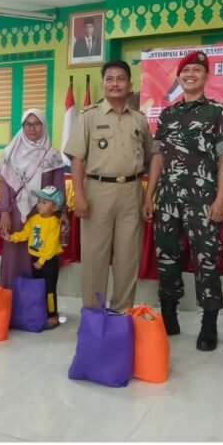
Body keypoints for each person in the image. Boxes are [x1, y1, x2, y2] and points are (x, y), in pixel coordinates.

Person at [144, 51, 223, 352]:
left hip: (202, 199)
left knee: (206, 260)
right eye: (186, 71)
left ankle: (208, 324)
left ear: (206, 76)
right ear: (179, 77)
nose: (191, 75)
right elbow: (158, 156)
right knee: (167, 255)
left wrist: (221, 198)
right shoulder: (168, 115)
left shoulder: (219, 112)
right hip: (168, 197)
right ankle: (169, 314)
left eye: (197, 70)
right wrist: (150, 194)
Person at [64, 60, 152, 312]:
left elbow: (148, 156)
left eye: (120, 78)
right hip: (97, 192)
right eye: (110, 79)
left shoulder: (139, 119)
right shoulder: (89, 117)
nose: (115, 83)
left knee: (128, 258)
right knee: (95, 258)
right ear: (103, 84)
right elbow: (77, 159)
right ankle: (93, 314)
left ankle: (121, 314)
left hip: (131, 192)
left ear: (129, 84)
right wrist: (79, 197)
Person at [0, 109, 68, 289]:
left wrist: (62, 212)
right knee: (14, 257)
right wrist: (4, 212)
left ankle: (36, 308)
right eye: (28, 124)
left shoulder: (52, 155)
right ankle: (12, 306)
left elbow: (59, 187)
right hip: (15, 215)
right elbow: (4, 184)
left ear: (44, 126)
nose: (33, 128)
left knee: (40, 259)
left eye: (37, 124)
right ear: (22, 127)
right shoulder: (10, 153)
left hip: (43, 215)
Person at [7, 186, 65, 328]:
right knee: (38, 287)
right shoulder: (34, 219)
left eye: (44, 202)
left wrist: (42, 261)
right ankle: (40, 312)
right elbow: (26, 234)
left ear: (55, 206)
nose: (39, 205)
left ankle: (52, 315)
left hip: (48, 261)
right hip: (35, 259)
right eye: (39, 201)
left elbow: (51, 246)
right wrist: (12, 237)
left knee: (49, 289)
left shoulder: (54, 223)